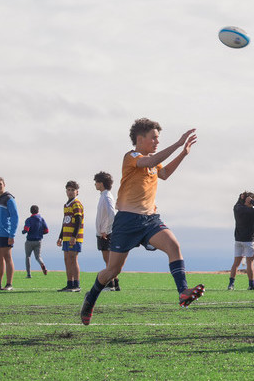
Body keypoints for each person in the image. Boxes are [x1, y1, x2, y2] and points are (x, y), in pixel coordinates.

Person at [80, 118, 205, 326]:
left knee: (174, 245)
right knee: (113, 271)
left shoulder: (153, 160)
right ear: (140, 139)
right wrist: (177, 144)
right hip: (127, 221)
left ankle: (183, 292)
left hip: (150, 220)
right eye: (154, 138)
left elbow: (163, 173)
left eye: (158, 139)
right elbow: (148, 162)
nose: (157, 142)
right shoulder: (132, 157)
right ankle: (91, 298)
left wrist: (184, 152)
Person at [229, 191, 254, 290]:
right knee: (250, 262)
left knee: (236, 263)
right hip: (249, 240)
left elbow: (238, 203)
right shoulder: (250, 211)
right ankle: (251, 284)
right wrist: (253, 201)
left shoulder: (237, 208)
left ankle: (231, 284)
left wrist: (242, 198)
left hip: (238, 239)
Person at [57, 181, 84, 292]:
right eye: (68, 189)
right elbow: (65, 221)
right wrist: (61, 237)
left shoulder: (76, 204)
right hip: (66, 237)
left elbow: (78, 220)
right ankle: (69, 283)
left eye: (73, 190)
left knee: (73, 259)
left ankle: (76, 284)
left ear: (77, 192)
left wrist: (74, 236)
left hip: (74, 238)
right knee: (67, 259)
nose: (70, 192)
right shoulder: (66, 205)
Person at [94, 171, 118, 291]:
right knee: (108, 259)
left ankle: (111, 284)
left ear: (101, 183)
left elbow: (111, 214)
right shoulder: (103, 195)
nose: (95, 184)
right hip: (103, 232)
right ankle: (116, 282)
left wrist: (106, 230)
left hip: (105, 233)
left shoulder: (107, 196)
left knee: (108, 260)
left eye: (97, 182)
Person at [22, 205, 49, 278]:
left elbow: (26, 229)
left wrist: (23, 231)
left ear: (30, 211)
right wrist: (39, 233)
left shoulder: (29, 220)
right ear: (38, 211)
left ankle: (28, 274)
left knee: (28, 257)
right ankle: (42, 264)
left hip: (29, 241)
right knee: (38, 257)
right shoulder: (42, 219)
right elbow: (46, 230)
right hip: (38, 241)